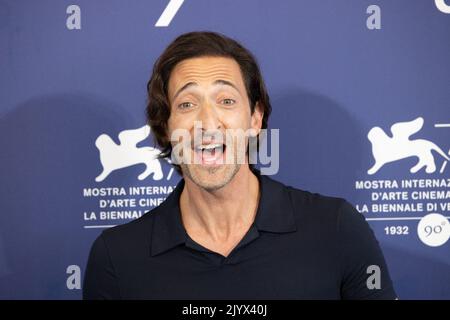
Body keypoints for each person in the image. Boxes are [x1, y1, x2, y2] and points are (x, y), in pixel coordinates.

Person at [83, 31, 397, 299]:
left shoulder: (337, 228)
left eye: (226, 100)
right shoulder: (117, 256)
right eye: (187, 104)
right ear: (166, 127)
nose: (207, 122)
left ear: (255, 118)